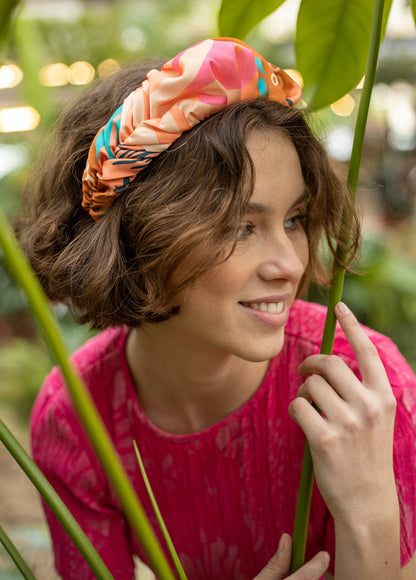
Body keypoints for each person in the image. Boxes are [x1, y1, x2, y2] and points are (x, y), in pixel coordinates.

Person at [19, 38, 416, 580]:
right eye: (239, 227)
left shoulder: (362, 396)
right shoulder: (77, 420)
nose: (288, 263)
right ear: (138, 239)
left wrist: (370, 507)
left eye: (294, 219)